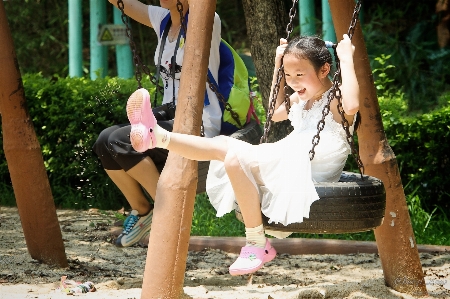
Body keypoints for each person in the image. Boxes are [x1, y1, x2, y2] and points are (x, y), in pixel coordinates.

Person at [125, 34, 360, 275]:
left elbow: (352, 106)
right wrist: (279, 70)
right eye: (289, 76)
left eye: (300, 75)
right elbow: (275, 113)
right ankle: (158, 137)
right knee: (222, 145)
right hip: (292, 157)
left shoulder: (335, 98)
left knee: (234, 156)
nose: (293, 82)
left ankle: (257, 243)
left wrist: (346, 58)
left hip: (313, 167)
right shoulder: (301, 97)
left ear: (324, 70)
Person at [93, 0, 223, 247]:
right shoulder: (162, 19)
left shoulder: (206, 19)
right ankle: (143, 212)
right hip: (168, 112)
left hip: (199, 120)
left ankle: (168, 212)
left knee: (122, 140)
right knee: (105, 141)